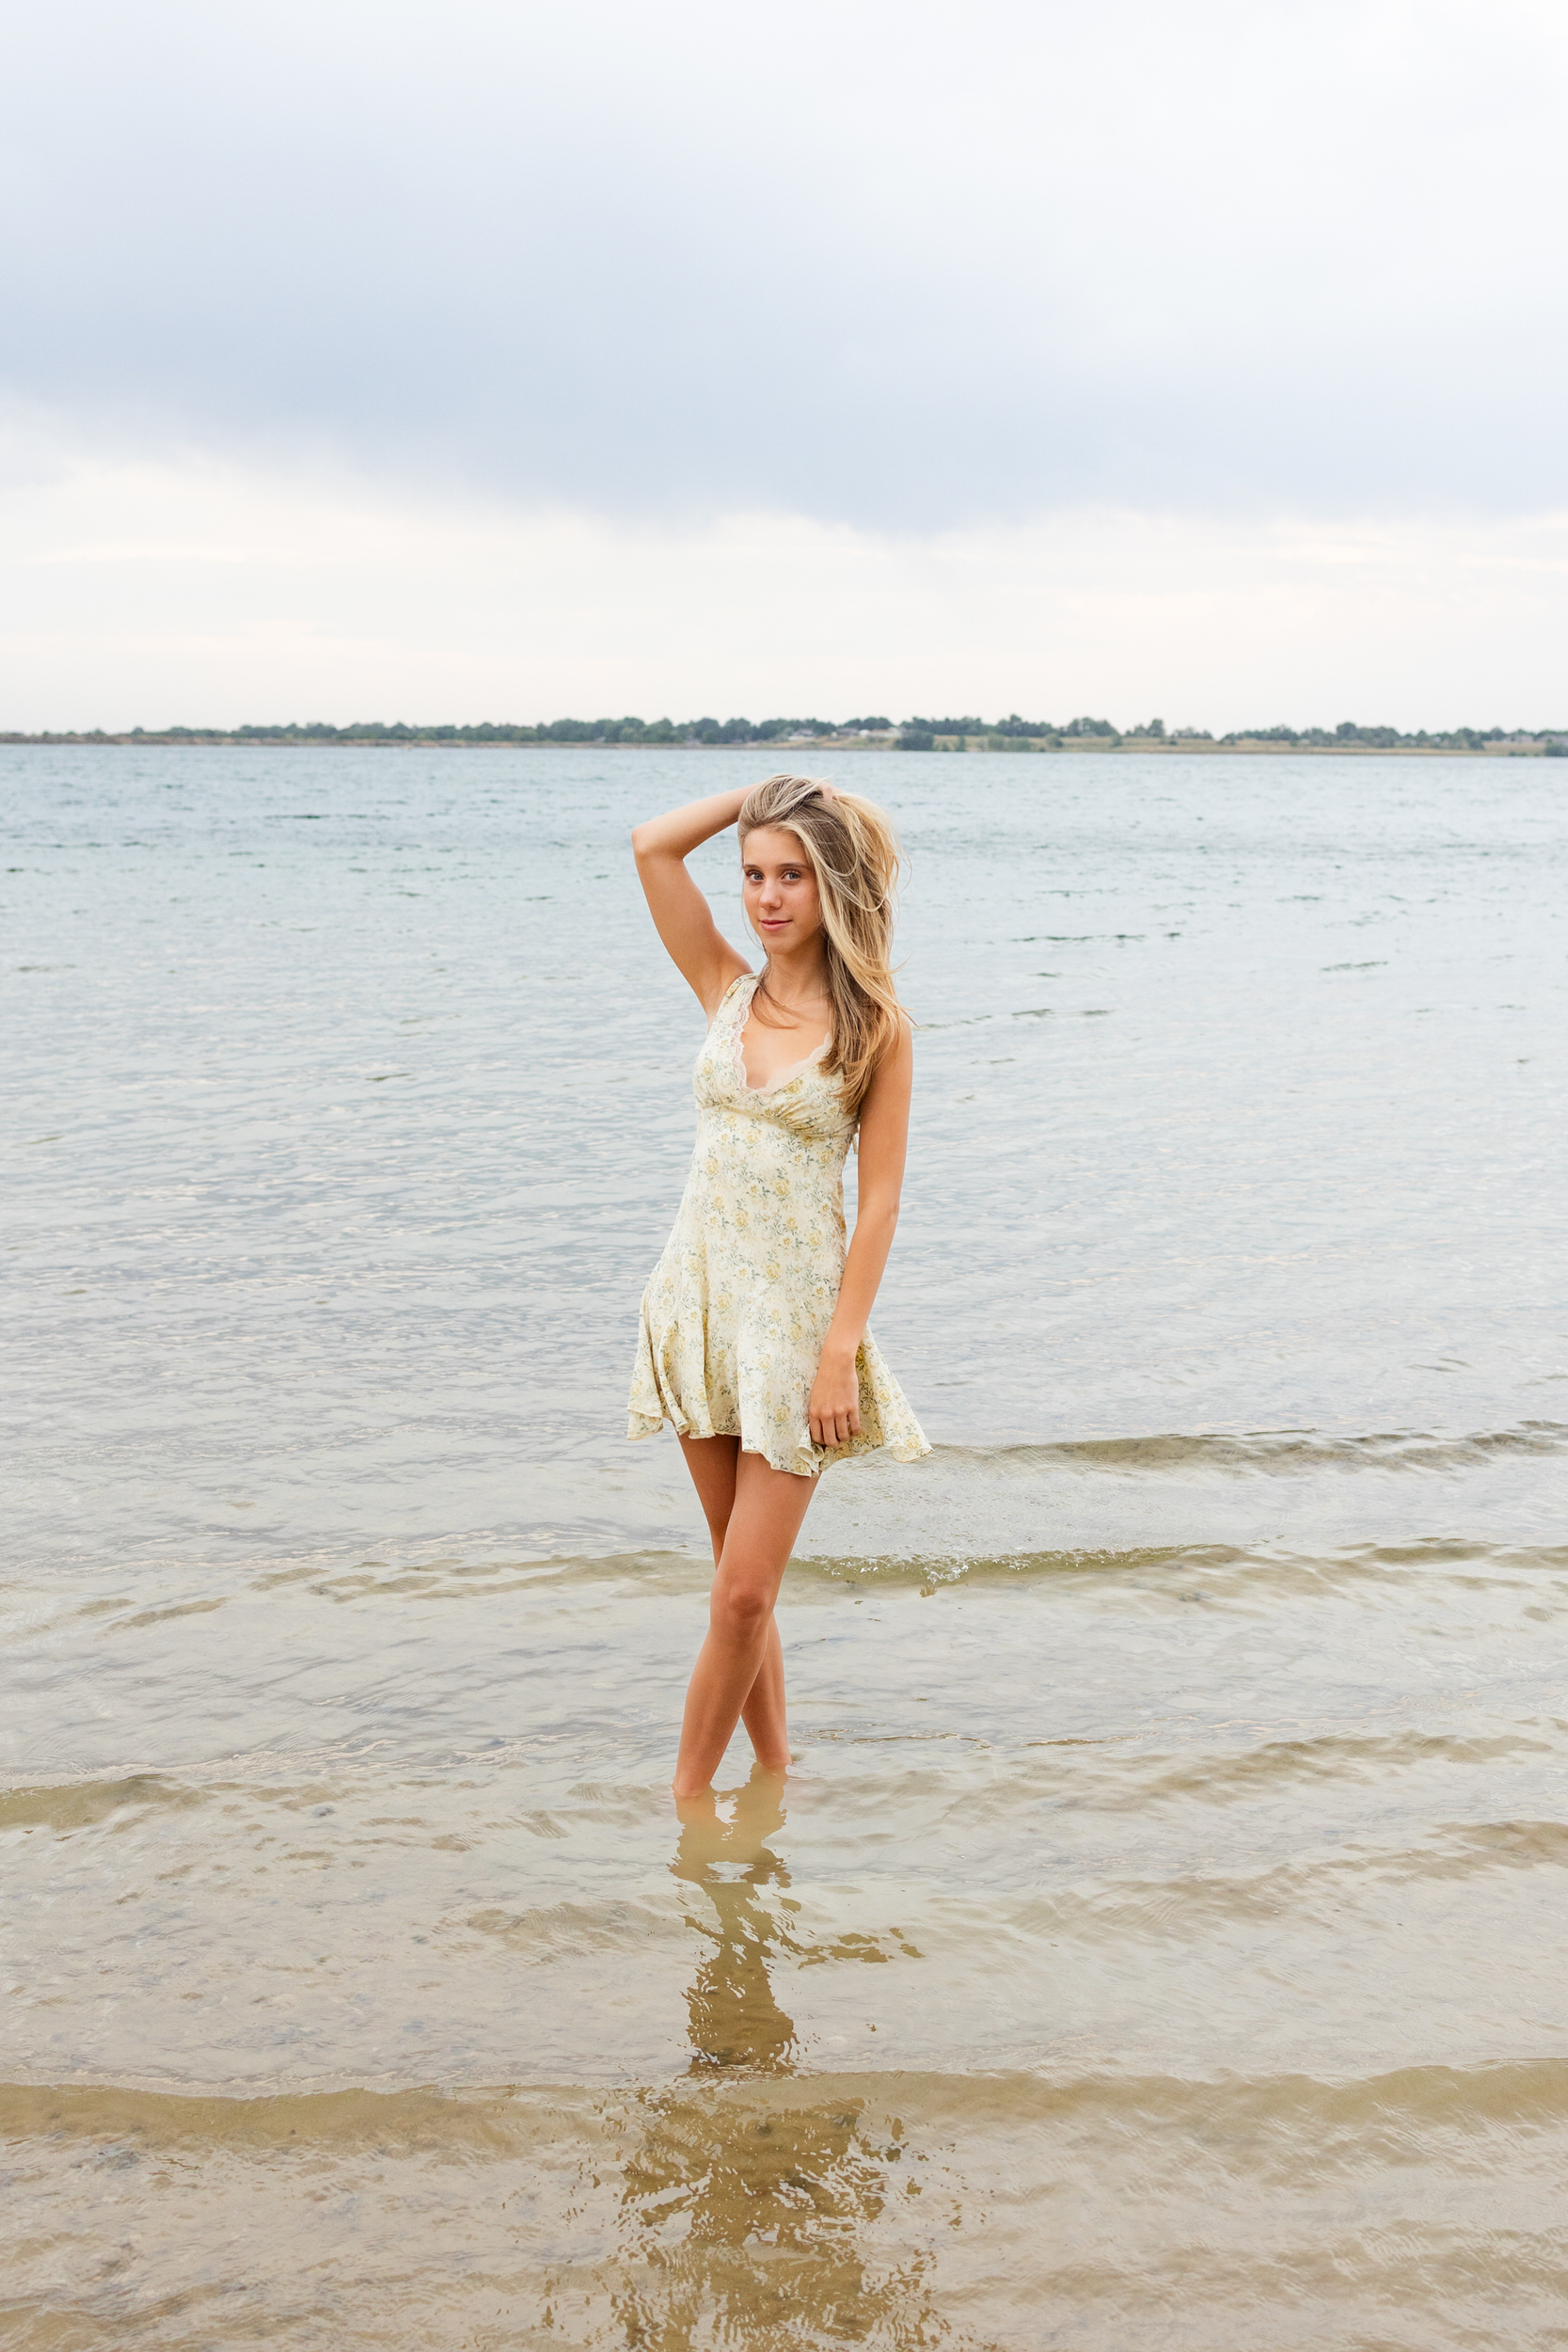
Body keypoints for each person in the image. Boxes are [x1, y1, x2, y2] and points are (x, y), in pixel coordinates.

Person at [628, 772, 929, 1799]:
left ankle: (684, 1809)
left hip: (797, 1332)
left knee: (746, 1593)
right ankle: (771, 1779)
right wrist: (753, 793)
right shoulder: (722, 986)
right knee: (735, 1590)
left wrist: (839, 1347)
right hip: (698, 1307)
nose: (765, 897)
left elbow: (880, 1199)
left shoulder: (873, 1029)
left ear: (831, 884)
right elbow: (650, 847)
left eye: (790, 874)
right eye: (754, 874)